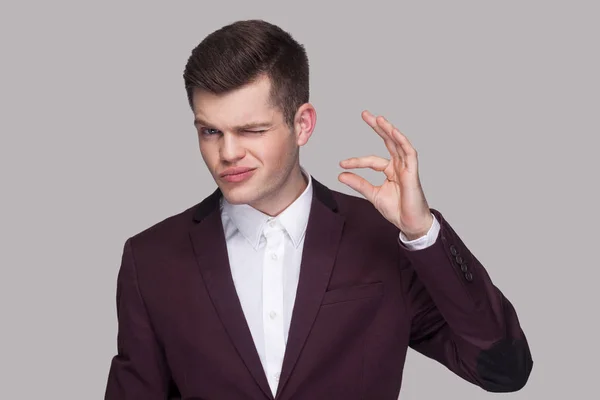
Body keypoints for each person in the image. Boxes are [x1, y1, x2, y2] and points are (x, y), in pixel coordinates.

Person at [104, 19, 533, 400]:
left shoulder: (384, 241)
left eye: (251, 130)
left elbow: (504, 370)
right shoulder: (151, 259)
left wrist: (422, 232)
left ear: (303, 124)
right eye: (210, 130)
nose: (227, 152)